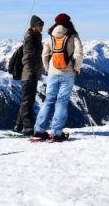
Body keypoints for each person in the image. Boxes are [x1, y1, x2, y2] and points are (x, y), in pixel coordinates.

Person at [33, 13, 83, 142]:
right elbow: (79, 53)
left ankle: (39, 130)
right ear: (68, 22)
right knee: (62, 101)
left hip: (53, 73)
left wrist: (48, 69)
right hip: (68, 73)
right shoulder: (73, 36)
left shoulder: (51, 36)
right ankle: (56, 132)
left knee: (49, 100)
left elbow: (44, 55)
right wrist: (76, 68)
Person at [13, 15, 44, 136]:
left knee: (27, 100)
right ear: (34, 26)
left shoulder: (36, 37)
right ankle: (27, 127)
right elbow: (27, 58)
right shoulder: (31, 38)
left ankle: (18, 126)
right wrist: (32, 72)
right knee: (28, 101)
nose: (42, 27)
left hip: (32, 73)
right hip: (29, 74)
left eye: (42, 24)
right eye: (40, 24)